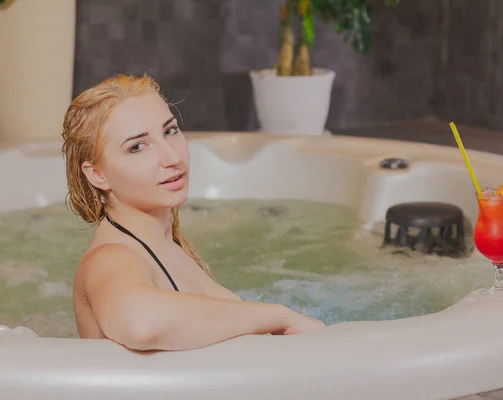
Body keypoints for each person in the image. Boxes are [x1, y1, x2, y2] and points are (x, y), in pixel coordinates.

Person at [63, 73, 326, 351]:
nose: (172, 158)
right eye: (137, 147)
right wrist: (279, 316)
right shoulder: (109, 257)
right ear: (97, 175)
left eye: (170, 131)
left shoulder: (163, 242)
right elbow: (140, 323)